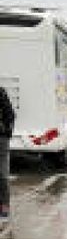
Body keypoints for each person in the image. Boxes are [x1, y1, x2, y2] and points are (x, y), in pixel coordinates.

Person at [0, 87, 13, 220]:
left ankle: (4, 206)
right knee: (3, 172)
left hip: (2, 138)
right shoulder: (2, 92)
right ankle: (4, 207)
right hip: (2, 138)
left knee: (3, 173)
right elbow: (11, 114)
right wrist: (8, 133)